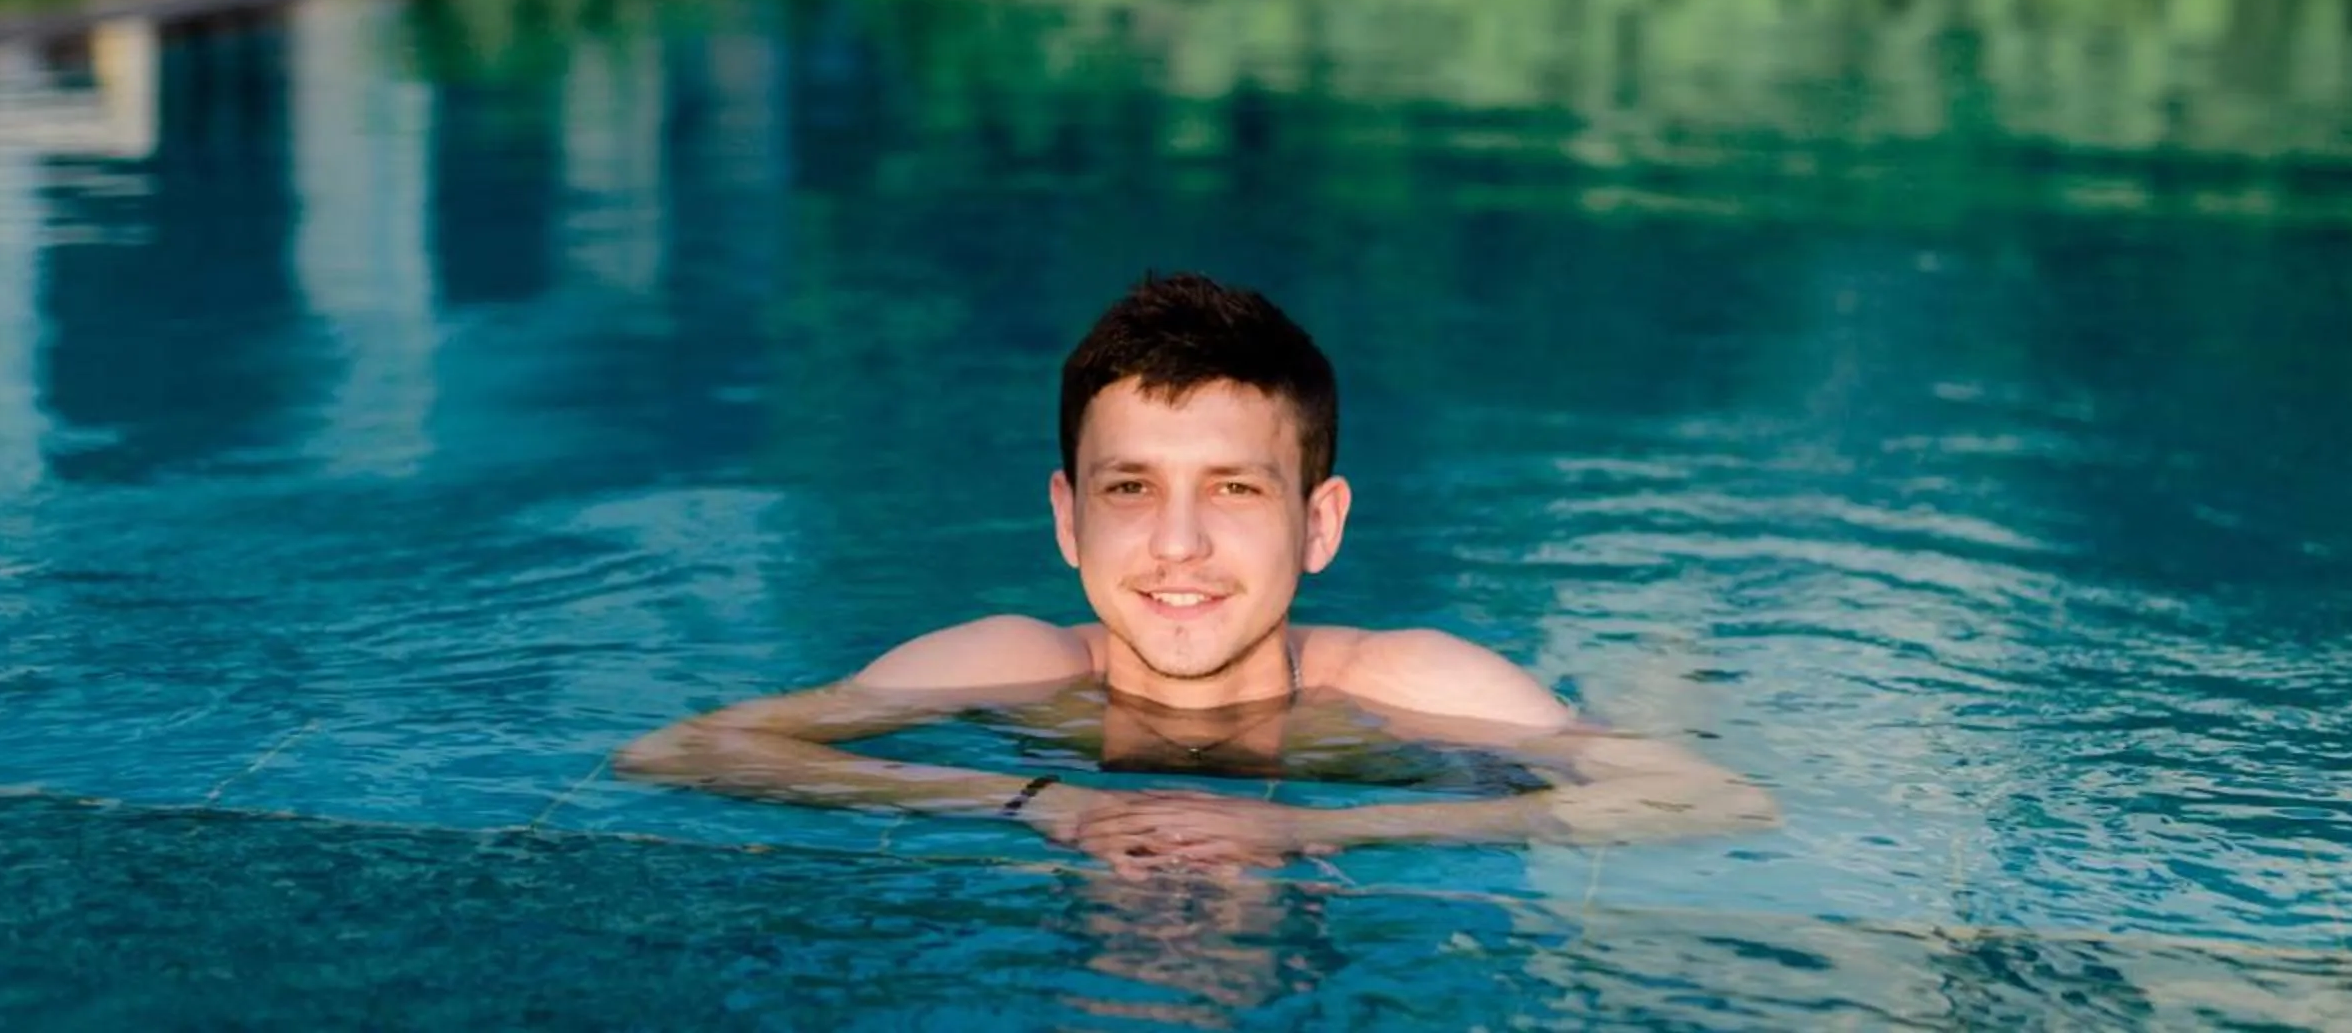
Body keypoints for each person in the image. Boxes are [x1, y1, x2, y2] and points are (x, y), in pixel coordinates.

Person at [618, 272, 1774, 871]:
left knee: (1635, 719)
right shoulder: (1016, 664)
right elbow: (681, 748)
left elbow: (1706, 795)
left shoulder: (1411, 682)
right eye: (1130, 488)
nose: (1176, 545)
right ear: (1067, 517)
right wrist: (1035, 799)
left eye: (1234, 487)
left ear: (1320, 524)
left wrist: (1323, 834)